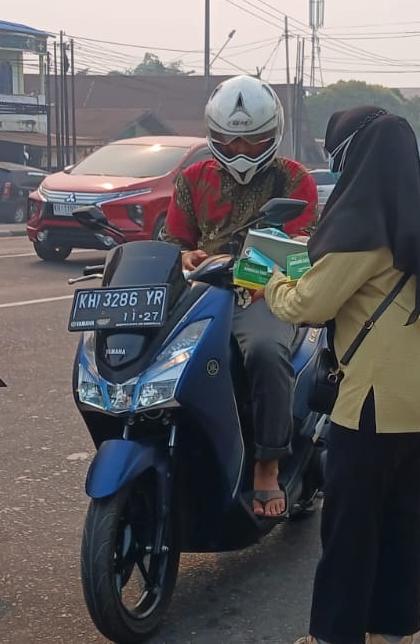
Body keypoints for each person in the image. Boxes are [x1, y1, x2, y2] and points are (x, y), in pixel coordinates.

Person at [267, 106, 420, 644]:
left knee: (350, 527)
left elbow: (309, 303)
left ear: (353, 158)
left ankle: (335, 635)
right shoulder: (414, 223)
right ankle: (391, 629)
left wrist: (271, 280)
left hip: (377, 399)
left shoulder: (360, 226)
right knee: (399, 519)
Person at [164, 75, 318, 518]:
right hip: (203, 291)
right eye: (229, 142)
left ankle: (267, 464)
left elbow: (301, 248)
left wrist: (261, 273)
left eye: (253, 142)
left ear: (273, 135)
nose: (241, 151)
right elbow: (171, 239)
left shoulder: (294, 179)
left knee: (266, 352)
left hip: (267, 292)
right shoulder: (192, 180)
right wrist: (186, 254)